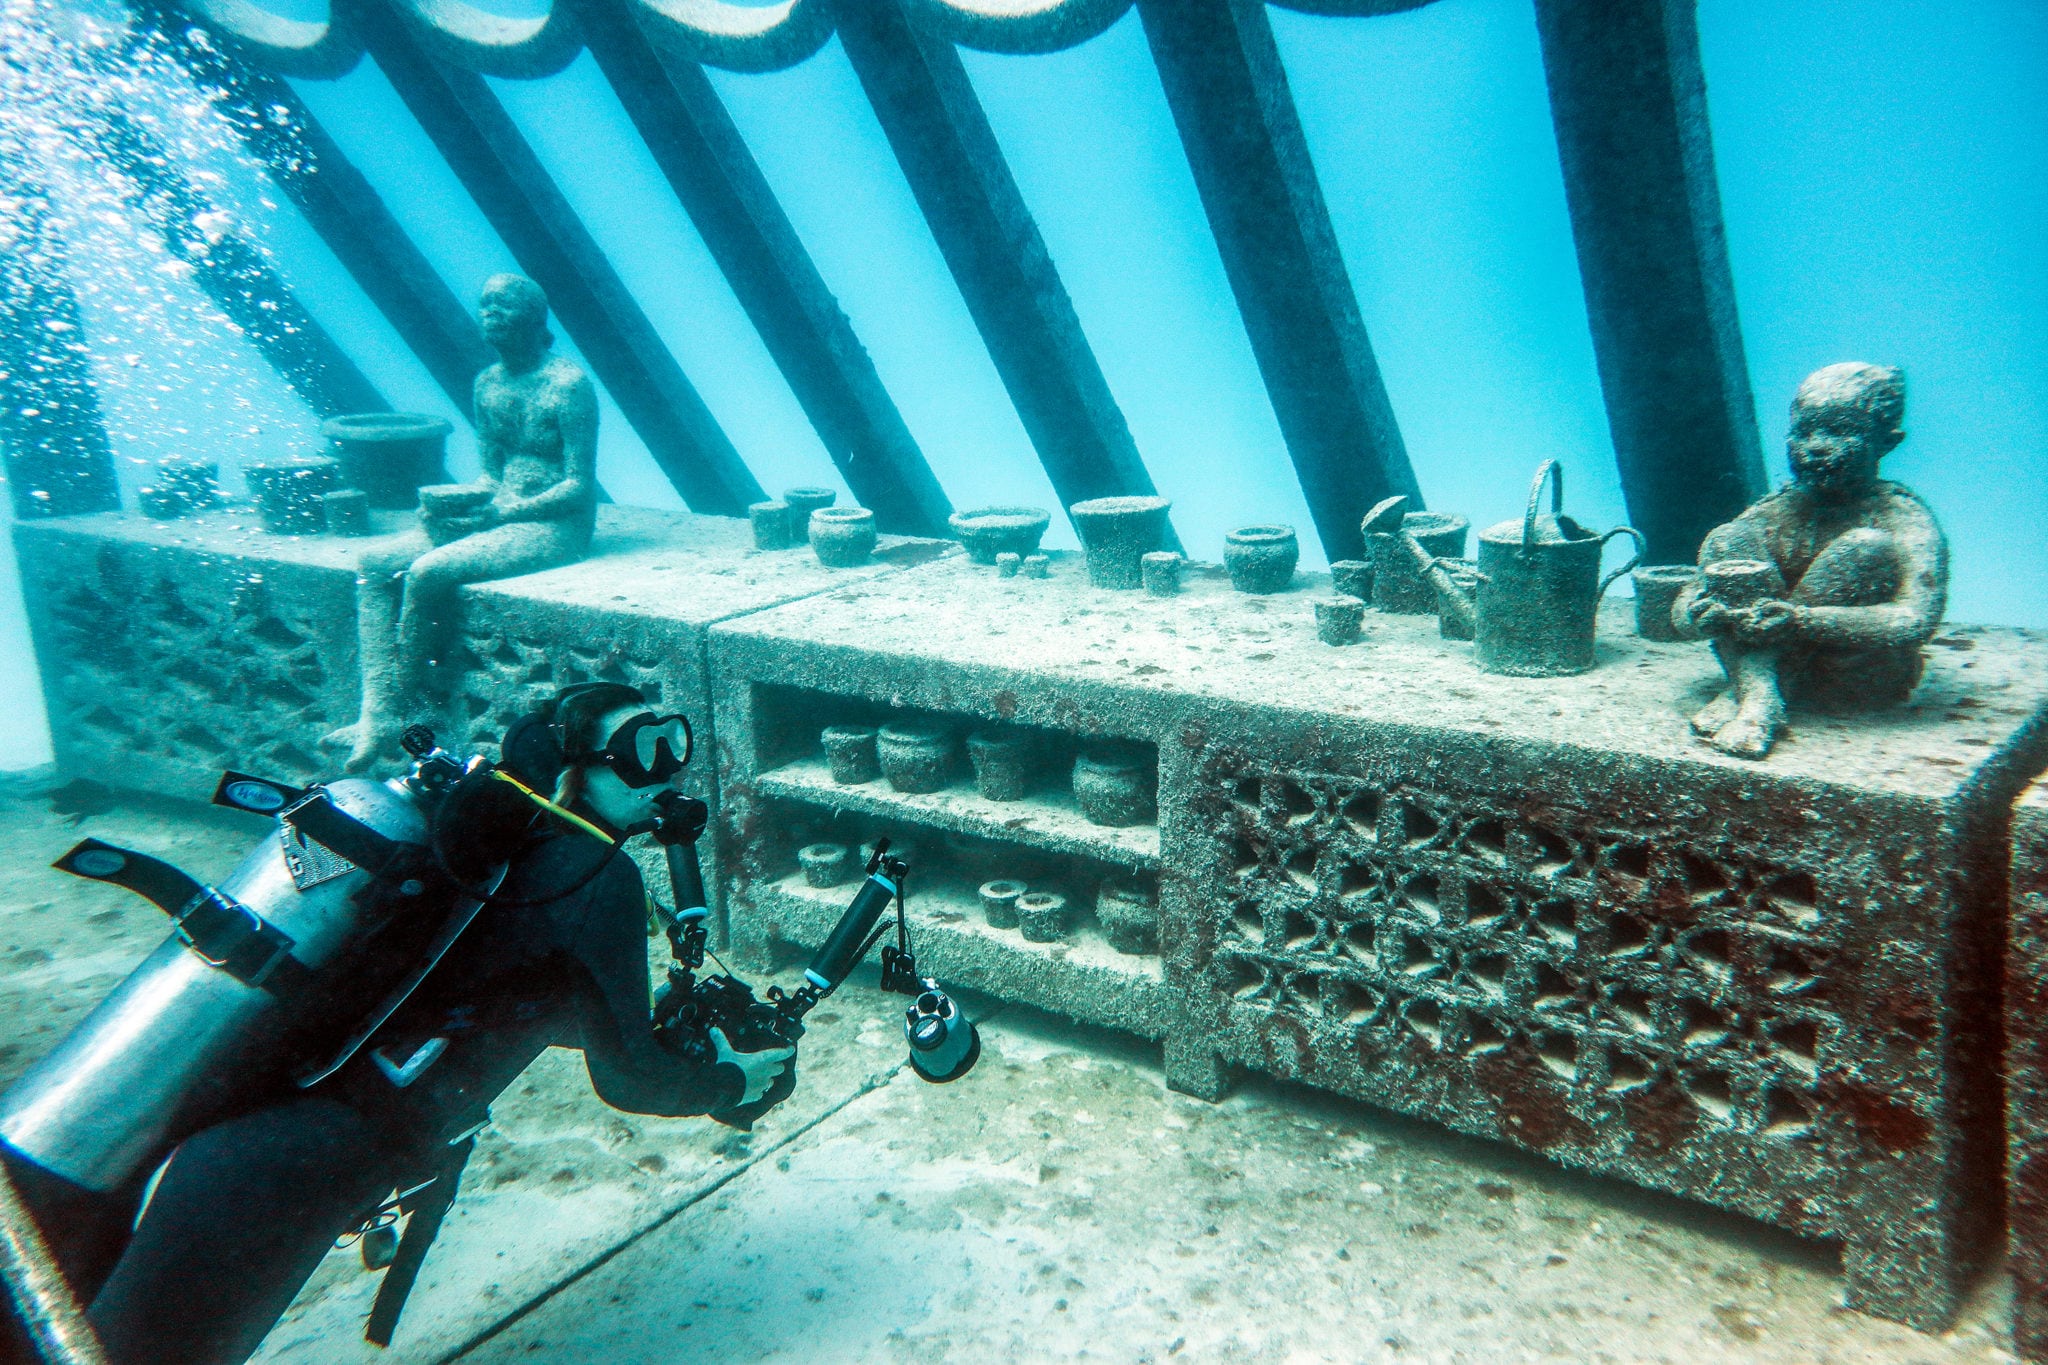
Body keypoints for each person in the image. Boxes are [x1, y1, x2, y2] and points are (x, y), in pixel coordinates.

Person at [20, 684, 793, 1364]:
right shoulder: (599, 877)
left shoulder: (493, 846)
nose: (667, 771)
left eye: (670, 742)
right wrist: (732, 1076)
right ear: (572, 771)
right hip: (292, 1172)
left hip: (231, 1129)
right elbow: (631, 1080)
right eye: (640, 751)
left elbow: (497, 993)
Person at [327, 274, 599, 774]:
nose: (491, 312)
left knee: (429, 572)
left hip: (554, 524)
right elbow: (490, 475)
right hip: (496, 511)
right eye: (485, 304)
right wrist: (455, 505)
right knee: (373, 562)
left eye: (504, 303)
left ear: (535, 318)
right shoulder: (487, 384)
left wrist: (505, 511)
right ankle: (375, 711)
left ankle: (396, 709)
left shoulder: (568, 385)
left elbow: (579, 486)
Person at [1673, 362, 1948, 759]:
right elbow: (1689, 597)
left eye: (1839, 431)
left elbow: (1913, 619)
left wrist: (1801, 622)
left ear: (1887, 441)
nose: (1815, 446)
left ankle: (1752, 692)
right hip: (1766, 662)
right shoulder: (1776, 510)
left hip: (1848, 680)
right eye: (1803, 432)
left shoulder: (1903, 517)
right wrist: (1699, 614)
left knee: (1866, 549)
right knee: (1727, 538)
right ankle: (1761, 695)